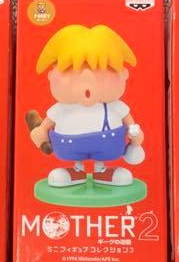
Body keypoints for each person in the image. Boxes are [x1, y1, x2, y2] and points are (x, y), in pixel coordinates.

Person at [28, 24, 144, 187]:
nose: (87, 80)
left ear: (124, 74)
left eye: (101, 70)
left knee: (106, 157)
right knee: (71, 161)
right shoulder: (62, 108)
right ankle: (76, 170)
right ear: (51, 75)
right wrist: (41, 131)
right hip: (69, 145)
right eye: (71, 70)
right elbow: (45, 126)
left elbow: (132, 127)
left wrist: (136, 137)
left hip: (107, 144)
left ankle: (101, 170)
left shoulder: (115, 106)